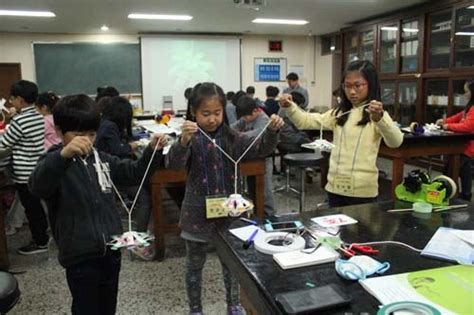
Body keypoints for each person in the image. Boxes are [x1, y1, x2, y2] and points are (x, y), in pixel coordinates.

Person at [29, 94, 167, 314]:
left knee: (108, 306)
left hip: (111, 251)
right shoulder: (53, 161)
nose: (86, 140)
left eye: (92, 134)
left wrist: (153, 150)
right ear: (58, 132)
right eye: (77, 134)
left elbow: (134, 173)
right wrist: (64, 155)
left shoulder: (101, 159)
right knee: (86, 308)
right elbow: (38, 186)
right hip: (80, 256)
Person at [167, 82, 283, 315]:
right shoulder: (190, 139)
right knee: (194, 265)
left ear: (224, 111)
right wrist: (182, 142)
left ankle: (233, 304)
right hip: (196, 213)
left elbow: (262, 148)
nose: (211, 119)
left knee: (232, 265)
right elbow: (173, 165)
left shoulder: (233, 138)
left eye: (217, 113)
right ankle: (196, 309)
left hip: (230, 214)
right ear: (193, 112)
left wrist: (272, 131)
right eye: (205, 114)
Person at [280, 60, 403, 207]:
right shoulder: (339, 113)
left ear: (371, 85)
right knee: (337, 228)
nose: (352, 91)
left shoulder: (377, 114)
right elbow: (306, 121)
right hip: (335, 187)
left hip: (363, 191)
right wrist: (290, 106)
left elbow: (395, 141)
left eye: (357, 85)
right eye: (347, 86)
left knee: (360, 230)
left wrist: (380, 119)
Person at [95, 96, 154, 260]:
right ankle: (139, 241)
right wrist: (133, 146)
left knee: (145, 186)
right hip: (112, 174)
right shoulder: (109, 126)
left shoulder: (106, 123)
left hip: (108, 171)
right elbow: (119, 149)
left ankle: (139, 232)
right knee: (145, 199)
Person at [0, 80, 49, 255]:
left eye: (12, 99)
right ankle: (43, 236)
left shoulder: (20, 120)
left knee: (32, 208)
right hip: (37, 168)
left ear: (20, 100)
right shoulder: (38, 116)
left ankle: (40, 242)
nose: (10, 102)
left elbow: (4, 144)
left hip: (24, 173)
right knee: (37, 206)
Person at [231, 95, 276, 216]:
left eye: (246, 116)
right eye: (242, 117)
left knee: (265, 192)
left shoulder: (263, 119)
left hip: (263, 159)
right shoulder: (246, 117)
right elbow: (233, 128)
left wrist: (238, 135)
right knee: (253, 191)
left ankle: (269, 216)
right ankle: (258, 214)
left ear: (256, 110)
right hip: (251, 158)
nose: (244, 119)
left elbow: (256, 135)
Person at [436, 80, 474, 201]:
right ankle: (466, 195)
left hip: (467, 146)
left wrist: (448, 126)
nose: (465, 94)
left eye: (466, 91)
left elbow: (468, 127)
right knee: (465, 171)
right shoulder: (470, 107)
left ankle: (450, 193)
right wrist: (445, 121)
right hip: (463, 145)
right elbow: (458, 117)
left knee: (455, 168)